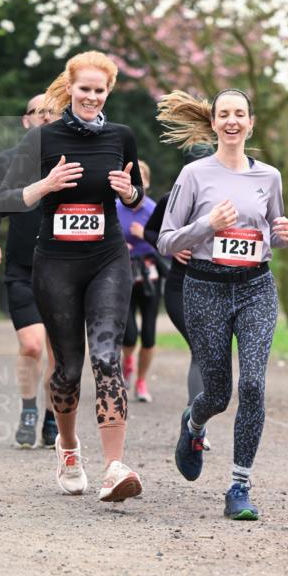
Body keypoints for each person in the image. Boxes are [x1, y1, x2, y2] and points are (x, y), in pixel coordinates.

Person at [0, 51, 145, 502]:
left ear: (108, 92)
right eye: (85, 89)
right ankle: (67, 449)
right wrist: (45, 185)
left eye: (100, 90)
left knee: (106, 355)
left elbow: (137, 197)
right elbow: (5, 197)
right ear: (70, 88)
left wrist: (130, 193)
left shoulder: (121, 136)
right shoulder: (41, 138)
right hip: (56, 263)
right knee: (67, 368)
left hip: (107, 258)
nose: (92, 97)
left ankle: (114, 467)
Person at [156, 88, 288, 520]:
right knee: (217, 394)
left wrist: (286, 235)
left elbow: (271, 234)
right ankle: (193, 424)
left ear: (251, 124)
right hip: (205, 288)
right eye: (224, 114)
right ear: (214, 122)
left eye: (240, 114)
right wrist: (207, 223)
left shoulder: (269, 177)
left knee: (252, 385)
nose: (232, 121)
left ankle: (239, 486)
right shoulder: (193, 175)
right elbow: (166, 240)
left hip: (256, 288)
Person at [0, 94, 57, 448]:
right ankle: (29, 410)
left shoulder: (72, 160)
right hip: (22, 266)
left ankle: (53, 416)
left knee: (60, 353)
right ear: (26, 120)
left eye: (52, 112)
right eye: (38, 112)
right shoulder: (8, 160)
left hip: (65, 268)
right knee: (31, 345)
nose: (45, 117)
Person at [141, 145, 212, 410]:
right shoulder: (171, 199)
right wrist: (173, 247)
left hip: (215, 287)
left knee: (208, 352)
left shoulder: (227, 200)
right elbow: (150, 232)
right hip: (180, 286)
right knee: (201, 348)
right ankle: (194, 420)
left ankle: (197, 417)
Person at [117, 160, 159, 403]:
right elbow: (103, 236)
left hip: (149, 274)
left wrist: (144, 235)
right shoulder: (114, 208)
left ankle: (141, 382)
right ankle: (127, 363)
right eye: (134, 178)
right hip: (123, 274)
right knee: (130, 334)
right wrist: (119, 244)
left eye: (142, 178)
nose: (138, 182)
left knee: (149, 334)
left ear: (148, 183)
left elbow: (167, 243)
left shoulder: (154, 209)